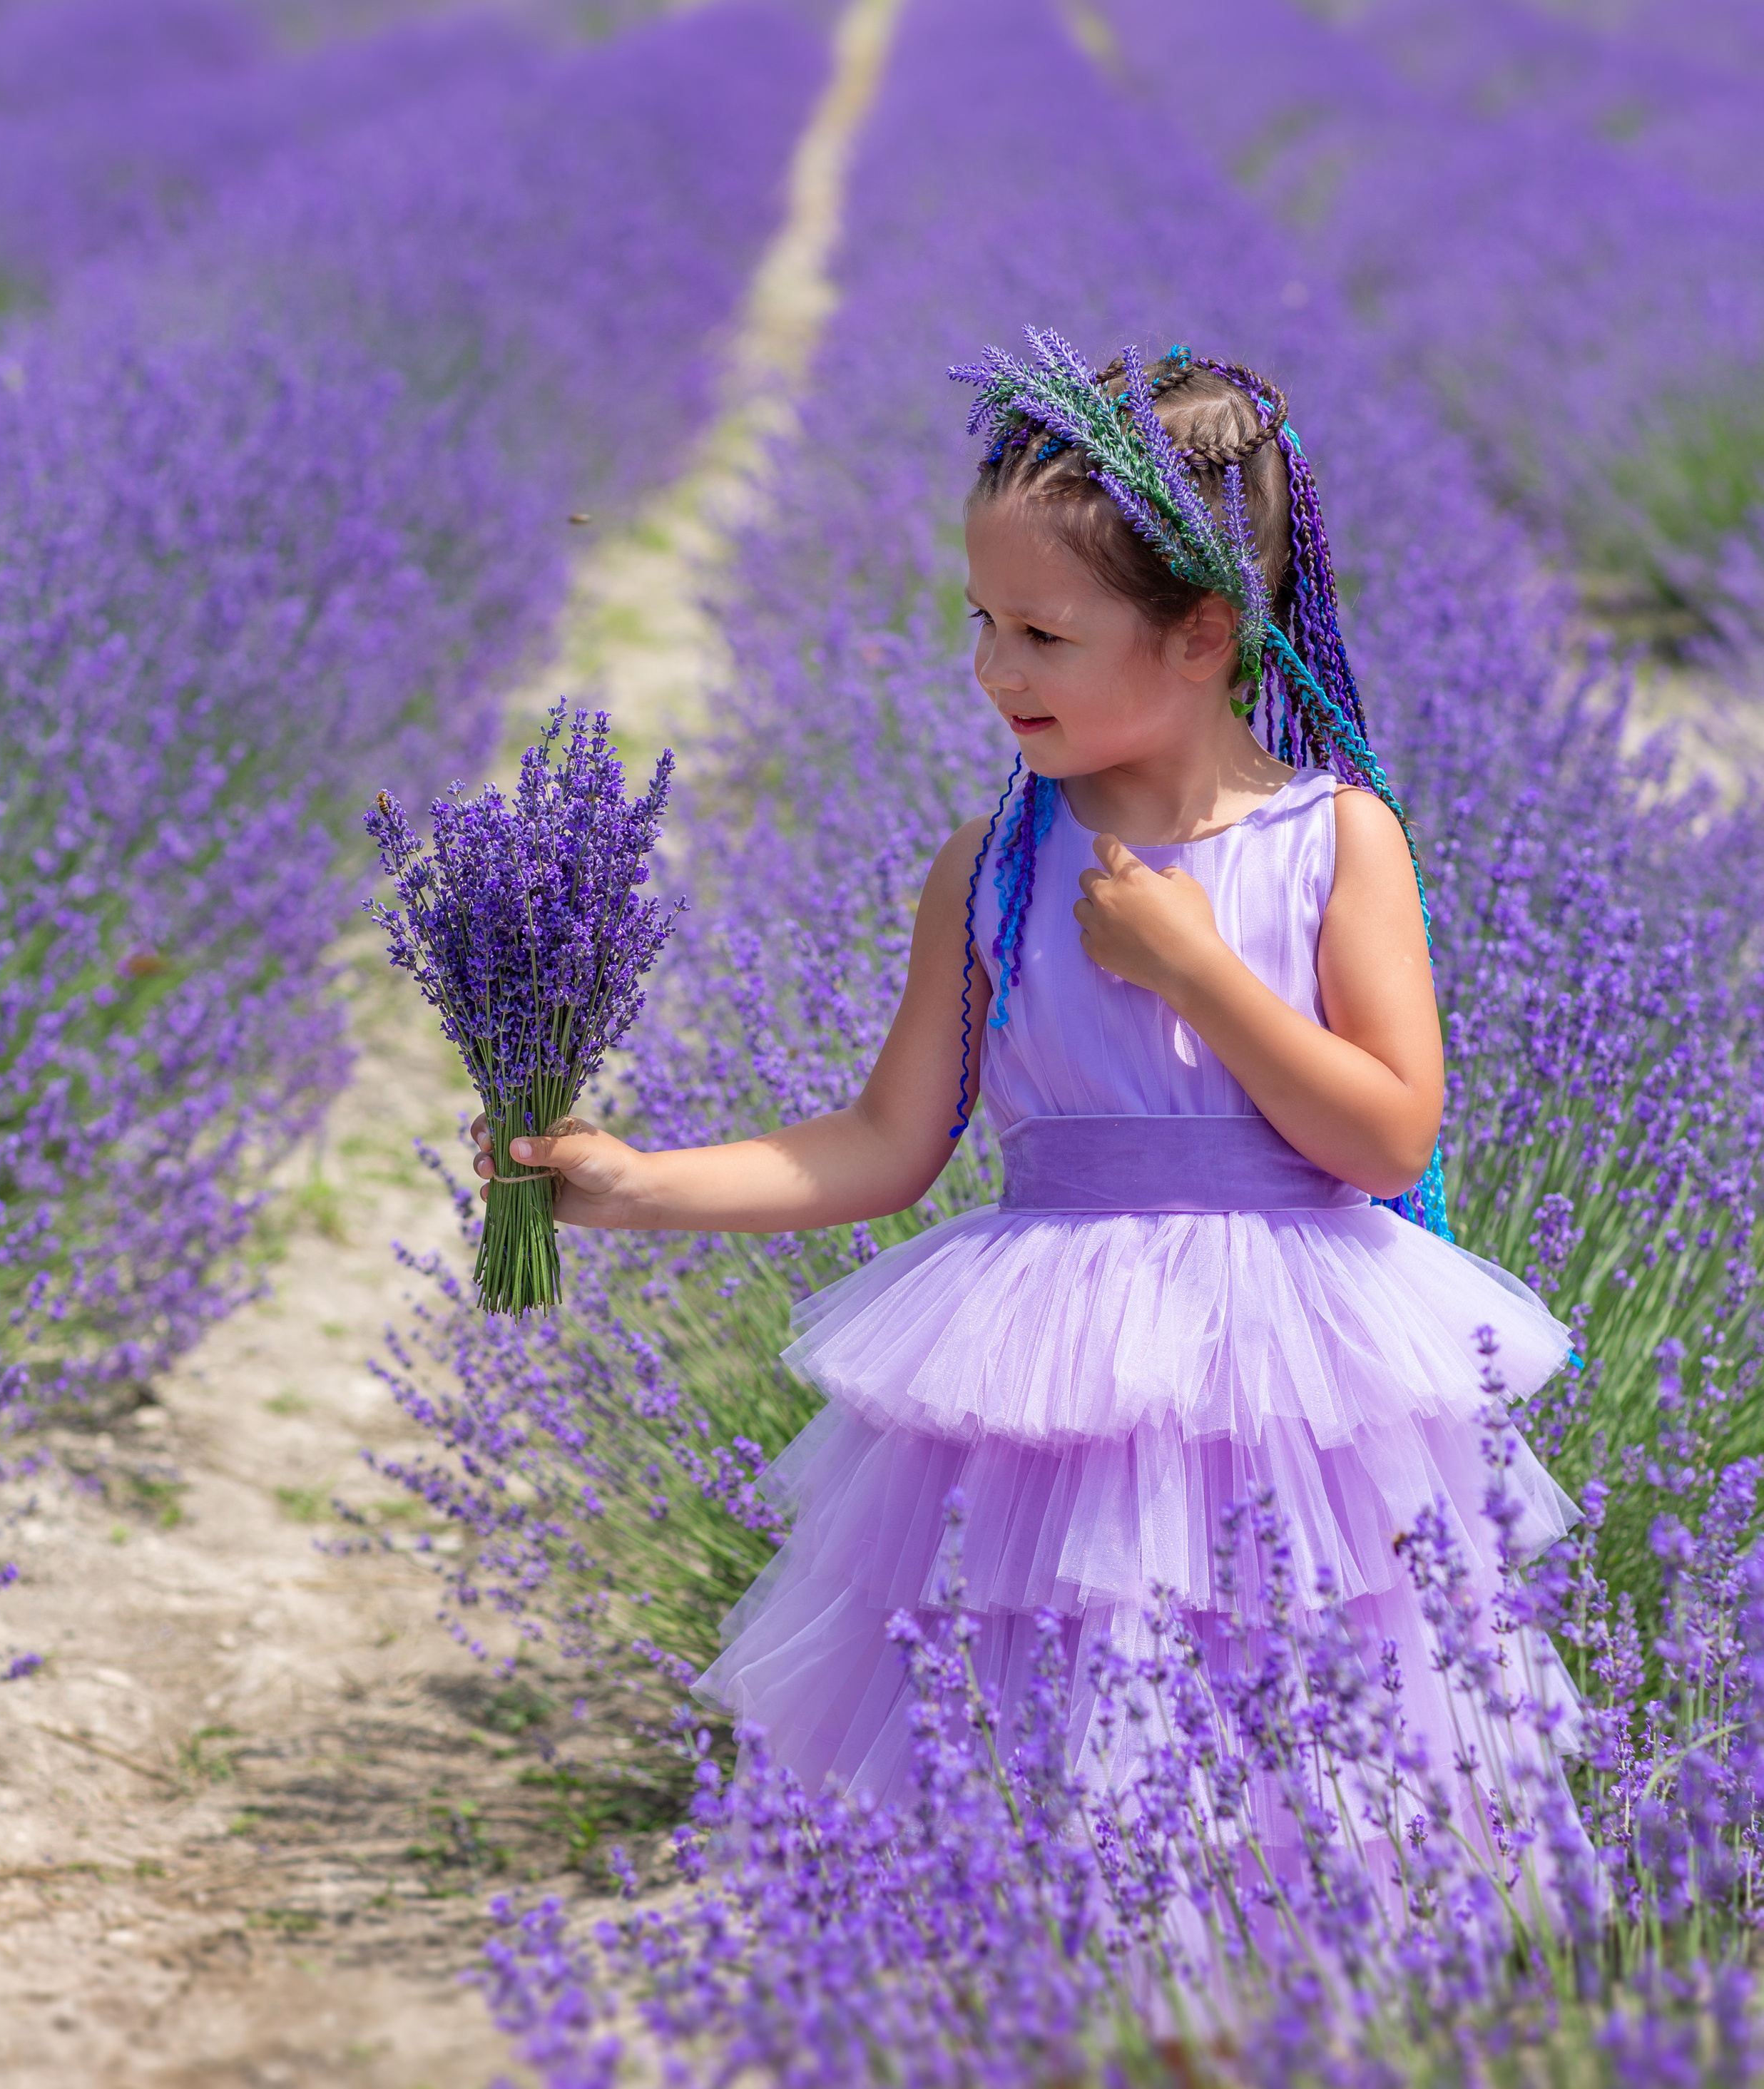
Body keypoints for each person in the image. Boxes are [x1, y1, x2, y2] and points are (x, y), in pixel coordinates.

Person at [472, 332, 1578, 1858]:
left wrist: (1195, 973)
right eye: (980, 622)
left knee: (1296, 1788)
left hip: (1287, 1393)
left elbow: (1385, 1136)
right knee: (1039, 1800)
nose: (992, 670)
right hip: (1043, 1405)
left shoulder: (1337, 841)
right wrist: (628, 1184)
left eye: (1041, 636)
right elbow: (881, 1145)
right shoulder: (989, 869)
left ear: (1199, 633)